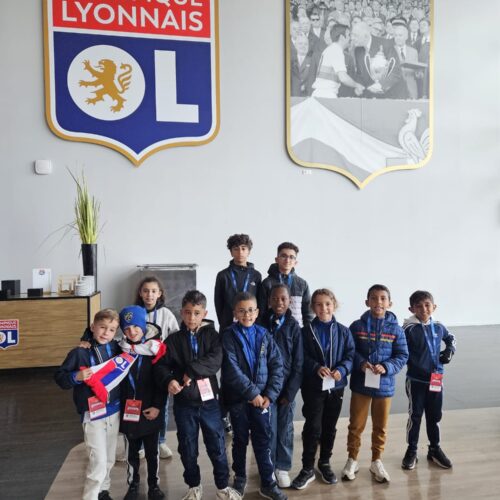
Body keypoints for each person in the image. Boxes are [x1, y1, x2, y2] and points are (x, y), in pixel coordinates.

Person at [155, 290, 241, 500]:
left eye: (196, 313)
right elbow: (161, 366)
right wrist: (169, 380)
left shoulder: (213, 337)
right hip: (184, 403)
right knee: (187, 446)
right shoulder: (172, 340)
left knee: (217, 444)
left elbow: (215, 360)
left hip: (209, 402)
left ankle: (222, 486)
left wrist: (190, 371)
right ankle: (194, 485)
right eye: (187, 312)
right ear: (181, 313)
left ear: (204, 314)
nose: (191, 318)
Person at [221, 292, 287, 500]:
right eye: (242, 311)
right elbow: (231, 370)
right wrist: (252, 393)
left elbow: (277, 366)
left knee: (263, 441)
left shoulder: (264, 334)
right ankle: (240, 478)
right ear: (235, 313)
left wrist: (270, 395)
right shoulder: (228, 336)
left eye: (250, 310)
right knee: (240, 440)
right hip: (238, 400)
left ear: (257, 312)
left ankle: (268, 482)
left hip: (262, 401)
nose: (247, 314)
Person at [341, 284, 408, 483]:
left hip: (384, 386)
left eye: (383, 298)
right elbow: (350, 351)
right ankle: (352, 459)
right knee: (356, 425)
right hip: (361, 385)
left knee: (380, 427)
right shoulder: (357, 326)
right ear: (367, 302)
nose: (378, 302)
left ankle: (376, 461)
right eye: (374, 298)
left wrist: (386, 367)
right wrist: (361, 363)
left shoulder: (397, 330)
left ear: (390, 303)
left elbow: (402, 355)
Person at [54, 308, 121, 500]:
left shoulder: (117, 349)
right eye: (102, 327)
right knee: (98, 461)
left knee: (109, 459)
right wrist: (76, 376)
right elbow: (60, 377)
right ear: (93, 327)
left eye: (111, 330)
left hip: (114, 411)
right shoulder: (79, 353)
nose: (106, 333)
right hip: (92, 414)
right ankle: (90, 496)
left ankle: (103, 491)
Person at [291, 289, 355, 490]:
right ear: (313, 307)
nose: (323, 308)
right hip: (313, 387)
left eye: (327, 303)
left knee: (330, 426)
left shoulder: (344, 331)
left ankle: (324, 462)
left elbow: (350, 356)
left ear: (334, 305)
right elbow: (301, 357)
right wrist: (316, 367)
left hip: (336, 387)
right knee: (313, 427)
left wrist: (342, 370)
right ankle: (307, 468)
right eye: (318, 304)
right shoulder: (305, 332)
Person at [402, 290, 456, 470]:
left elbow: (451, 339)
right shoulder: (408, 329)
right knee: (415, 416)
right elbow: (399, 349)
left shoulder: (439, 326)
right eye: (418, 306)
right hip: (416, 380)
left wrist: (449, 351)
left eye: (427, 305)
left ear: (434, 307)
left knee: (435, 415)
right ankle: (412, 450)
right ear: (411, 309)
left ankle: (434, 449)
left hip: (436, 378)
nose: (423, 309)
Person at [119, 305, 167, 500]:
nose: (132, 332)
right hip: (128, 411)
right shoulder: (119, 350)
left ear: (144, 326)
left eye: (136, 326)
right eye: (127, 328)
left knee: (152, 453)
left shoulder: (155, 351)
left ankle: (154, 485)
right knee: (131, 453)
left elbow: (162, 383)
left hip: (150, 410)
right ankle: (133, 485)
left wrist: (157, 406)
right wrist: (86, 336)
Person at [261, 284, 304, 488]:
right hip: (266, 389)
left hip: (286, 389)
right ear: (269, 301)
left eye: (283, 299)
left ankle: (283, 467)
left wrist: (291, 392)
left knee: (285, 428)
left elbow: (298, 363)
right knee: (268, 428)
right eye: (275, 299)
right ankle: (269, 466)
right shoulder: (260, 323)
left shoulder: (294, 327)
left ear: (289, 301)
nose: (279, 302)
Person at [135, 276, 179, 459]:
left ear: (160, 293)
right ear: (140, 293)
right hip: (139, 365)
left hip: (161, 366)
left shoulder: (166, 314)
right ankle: (138, 444)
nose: (149, 295)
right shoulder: (134, 312)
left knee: (161, 404)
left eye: (154, 291)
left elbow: (175, 337)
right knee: (139, 402)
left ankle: (160, 441)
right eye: (146, 291)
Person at [259, 242, 313, 328]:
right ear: (277, 259)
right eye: (284, 256)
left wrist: (306, 332)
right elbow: (261, 313)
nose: (287, 260)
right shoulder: (267, 283)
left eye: (291, 257)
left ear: (295, 262)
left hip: (296, 332)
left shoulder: (302, 284)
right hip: (272, 331)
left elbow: (308, 314)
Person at [214, 234, 262, 332]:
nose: (240, 252)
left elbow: (259, 302)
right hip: (228, 323)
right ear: (231, 252)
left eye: (243, 248)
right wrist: (223, 322)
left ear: (249, 251)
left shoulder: (256, 275)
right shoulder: (223, 275)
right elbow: (218, 303)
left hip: (250, 323)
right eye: (236, 249)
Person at [349, 21, 409, 99]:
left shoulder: (385, 44)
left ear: (366, 36)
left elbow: (396, 70)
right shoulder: (357, 50)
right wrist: (359, 86)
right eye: (352, 35)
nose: (352, 38)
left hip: (394, 95)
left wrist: (381, 85)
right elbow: (360, 74)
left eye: (355, 35)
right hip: (373, 96)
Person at [312, 24, 365, 98]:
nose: (351, 38)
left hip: (322, 94)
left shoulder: (332, 48)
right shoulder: (336, 50)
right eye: (349, 35)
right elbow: (343, 78)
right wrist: (357, 85)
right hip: (326, 95)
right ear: (341, 37)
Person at [393, 24, 419, 99]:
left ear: (406, 37)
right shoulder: (390, 50)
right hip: (395, 90)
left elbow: (416, 72)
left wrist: (419, 73)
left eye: (400, 35)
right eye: (396, 35)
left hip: (411, 90)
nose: (398, 38)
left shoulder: (414, 52)